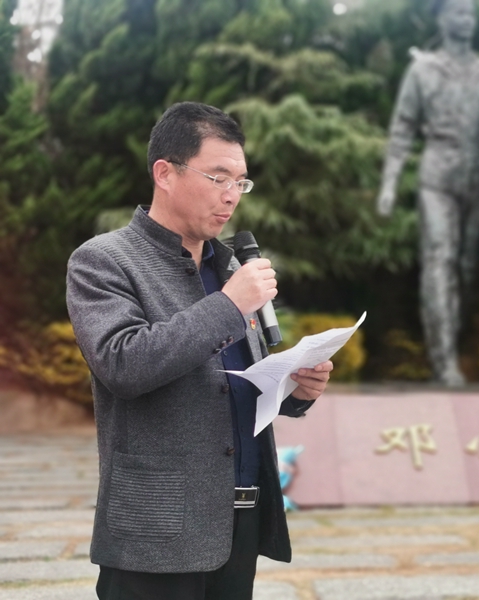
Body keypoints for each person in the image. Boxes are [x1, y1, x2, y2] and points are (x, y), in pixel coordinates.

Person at [66, 102, 333, 599]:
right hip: (157, 528)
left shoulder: (229, 266)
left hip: (239, 520)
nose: (231, 195)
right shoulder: (103, 260)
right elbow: (124, 364)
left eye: (241, 182)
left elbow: (233, 382)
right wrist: (229, 305)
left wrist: (295, 389)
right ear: (165, 173)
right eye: (218, 178)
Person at [376, 0, 479, 387]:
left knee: (464, 270)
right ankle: (444, 361)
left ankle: (451, 342)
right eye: (458, 13)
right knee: (440, 260)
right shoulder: (423, 70)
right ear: (443, 19)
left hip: (477, 176)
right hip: (438, 174)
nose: (466, 20)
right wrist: (390, 184)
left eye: (470, 14)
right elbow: (403, 129)